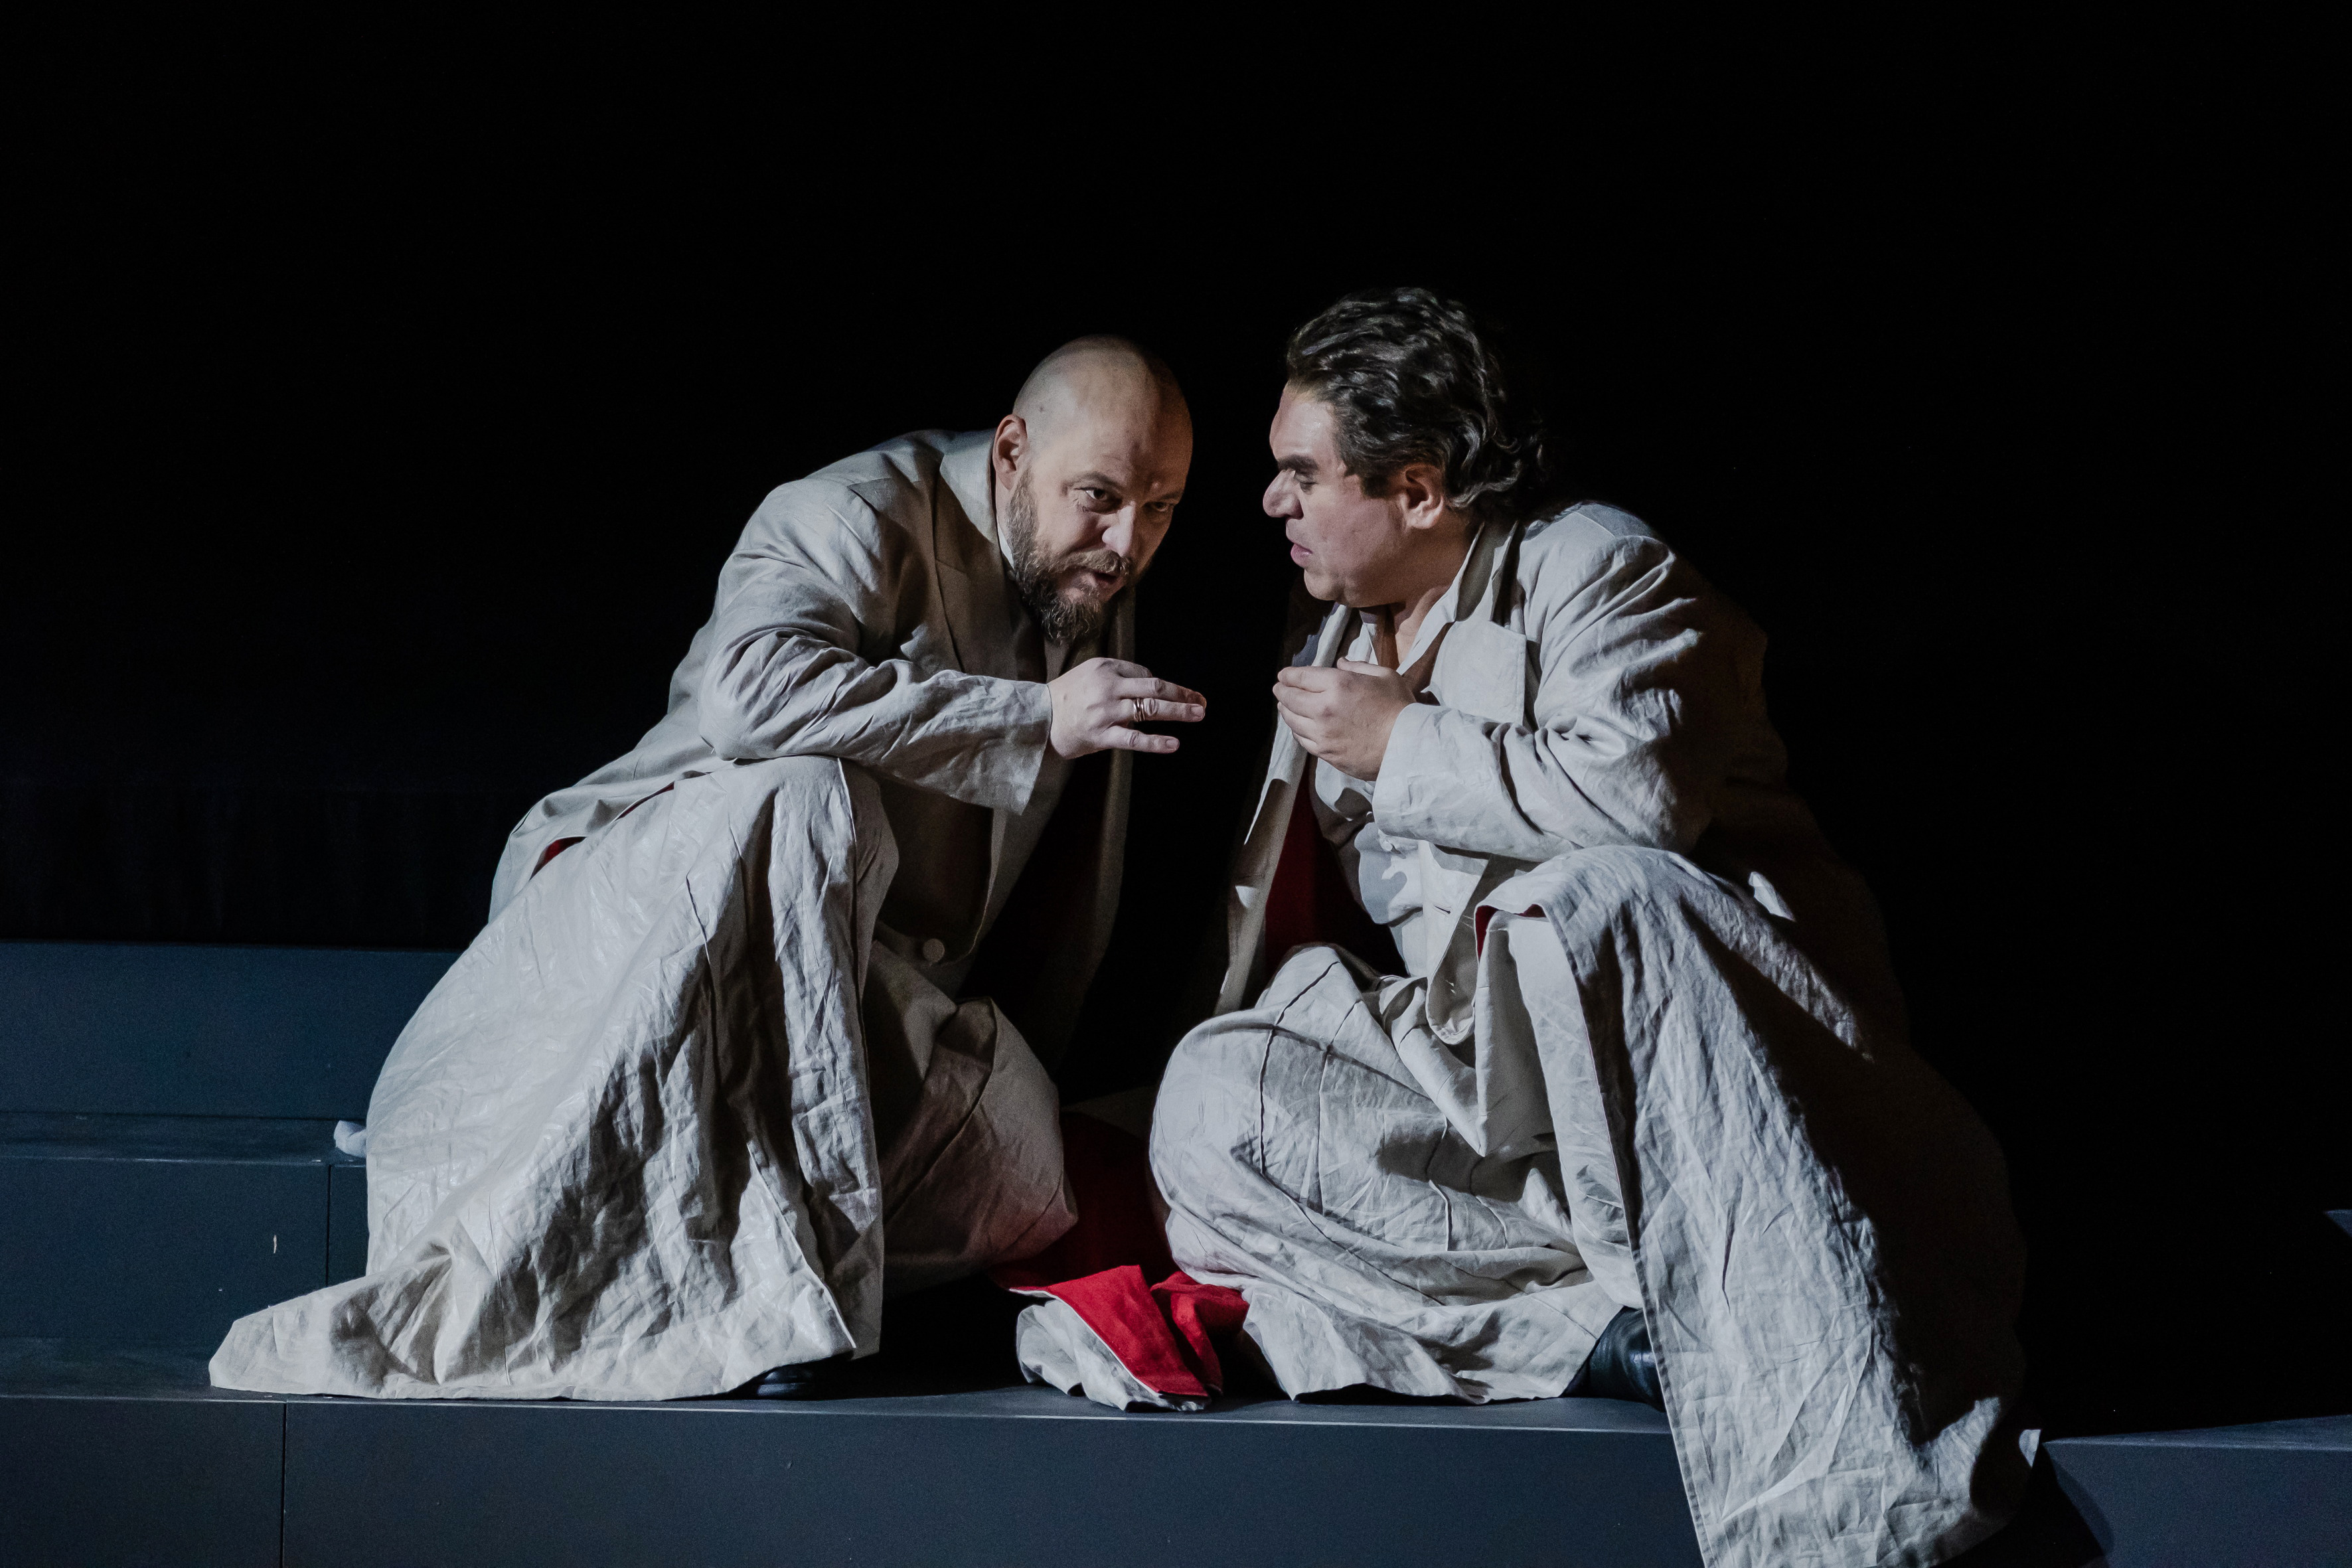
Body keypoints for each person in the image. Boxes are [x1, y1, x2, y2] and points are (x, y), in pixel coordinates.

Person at [1144, 291, 2032, 1567]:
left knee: (1593, 898)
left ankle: (1807, 1418)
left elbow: (1639, 801)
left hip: (1698, 1079)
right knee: (1213, 1092)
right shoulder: (1333, 626)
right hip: (1502, 1097)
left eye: (1302, 472)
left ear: (1417, 488)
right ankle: (1595, 1333)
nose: (1271, 500)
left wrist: (1401, 741)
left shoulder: (1601, 568)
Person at [209, 336, 1203, 1402]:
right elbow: (745, 695)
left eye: (1160, 509)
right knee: (807, 796)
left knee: (1022, 1162)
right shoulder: (853, 513)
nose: (1126, 542)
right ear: (1011, 452)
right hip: (646, 932)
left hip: (852, 989)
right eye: (1100, 498)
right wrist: (1032, 715)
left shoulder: (1079, 570)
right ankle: (758, 1296)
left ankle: (723, 1261)